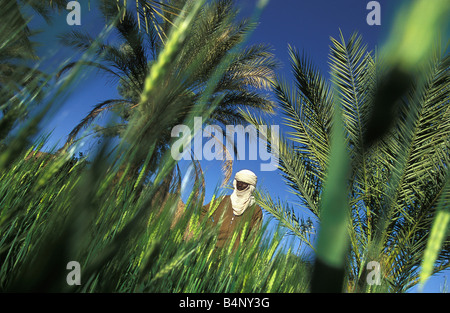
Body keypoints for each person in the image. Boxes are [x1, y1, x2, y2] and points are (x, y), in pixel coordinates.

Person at [201, 169, 263, 251]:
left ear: (250, 186)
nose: (240, 185)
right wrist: (211, 228)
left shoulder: (255, 210)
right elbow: (202, 211)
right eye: (239, 181)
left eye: (244, 183)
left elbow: (254, 237)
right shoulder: (223, 200)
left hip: (233, 257)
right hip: (211, 249)